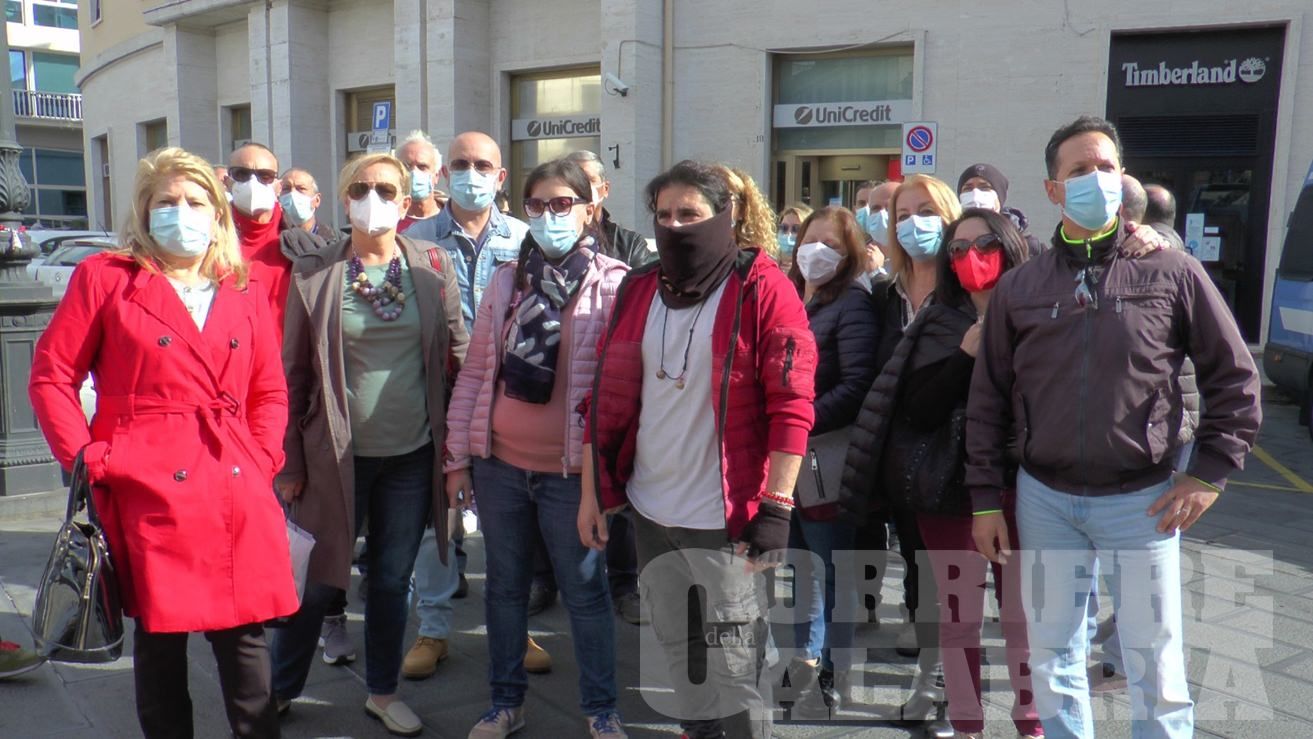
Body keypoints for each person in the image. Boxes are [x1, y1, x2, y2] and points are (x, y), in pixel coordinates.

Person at [967, 115, 1262, 739]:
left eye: (1105, 167)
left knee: (1154, 662)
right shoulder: (1021, 287)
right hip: (1044, 498)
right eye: (1078, 170)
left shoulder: (1172, 272)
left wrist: (1209, 474)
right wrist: (984, 500)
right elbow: (988, 396)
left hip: (1144, 500)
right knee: (1052, 658)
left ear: (1122, 177)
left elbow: (1234, 377)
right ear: (1052, 189)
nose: (1094, 179)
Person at [30, 147, 297, 738]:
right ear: (143, 211)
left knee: (246, 642)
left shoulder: (242, 286)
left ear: (217, 211)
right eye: (167, 202)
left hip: (233, 480)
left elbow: (269, 391)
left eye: (196, 201)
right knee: (160, 644)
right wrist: (88, 457)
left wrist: (261, 457)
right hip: (147, 485)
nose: (183, 213)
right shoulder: (108, 278)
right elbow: (52, 376)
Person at [579, 159, 817, 739]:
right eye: (663, 214)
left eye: (690, 213)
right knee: (679, 650)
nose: (675, 225)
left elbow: (793, 404)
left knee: (734, 670)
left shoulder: (762, 286)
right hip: (651, 510)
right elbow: (602, 399)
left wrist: (777, 506)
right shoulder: (639, 288)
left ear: (727, 217)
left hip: (725, 518)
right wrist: (593, 495)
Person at [271, 152, 469, 737]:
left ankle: (382, 691)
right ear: (344, 199)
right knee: (317, 581)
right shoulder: (313, 274)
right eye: (361, 187)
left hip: (411, 456)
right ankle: (281, 690)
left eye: (386, 188)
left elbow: (460, 357)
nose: (373, 197)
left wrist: (463, 450)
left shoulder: (432, 267)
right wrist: (289, 461)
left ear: (407, 203)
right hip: (334, 458)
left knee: (389, 580)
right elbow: (294, 374)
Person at [448, 159, 628, 739]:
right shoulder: (507, 280)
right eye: (537, 206)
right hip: (500, 464)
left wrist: (603, 483)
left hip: (569, 474)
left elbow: (619, 391)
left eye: (561, 205)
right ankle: (505, 702)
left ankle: (601, 710)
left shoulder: (615, 283)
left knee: (585, 591)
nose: (549, 217)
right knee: (503, 587)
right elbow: (476, 375)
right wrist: (457, 456)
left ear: (587, 210)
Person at [405, 131, 547, 680]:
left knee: (509, 522)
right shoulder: (415, 238)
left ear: (501, 176)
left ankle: (516, 630)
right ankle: (434, 629)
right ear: (444, 174)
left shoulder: (524, 236)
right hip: (438, 398)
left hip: (510, 397)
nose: (471, 173)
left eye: (482, 164)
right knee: (436, 521)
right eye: (460, 163)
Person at [899, 209, 1041, 739]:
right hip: (952, 493)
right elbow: (915, 408)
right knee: (960, 620)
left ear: (1010, 247)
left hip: (1025, 488)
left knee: (1024, 617)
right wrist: (964, 356)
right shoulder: (937, 320)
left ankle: (1032, 721)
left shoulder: (1038, 314)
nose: (970, 257)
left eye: (983, 244)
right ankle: (966, 725)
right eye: (957, 250)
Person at [781, 206, 879, 713]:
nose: (815, 250)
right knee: (799, 566)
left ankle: (834, 672)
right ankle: (804, 660)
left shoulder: (853, 304)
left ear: (850, 255)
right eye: (808, 237)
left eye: (832, 244)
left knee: (832, 572)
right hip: (790, 463)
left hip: (827, 461)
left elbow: (856, 385)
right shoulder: (795, 297)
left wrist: (798, 421)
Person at [228, 143, 291, 337]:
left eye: (265, 176)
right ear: (227, 182)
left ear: (278, 186)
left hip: (286, 363)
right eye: (242, 174)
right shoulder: (206, 243)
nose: (253, 182)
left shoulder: (302, 246)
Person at [566, 149, 655, 269]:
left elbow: (639, 285)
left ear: (605, 189)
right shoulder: (547, 238)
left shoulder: (630, 244)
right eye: (574, 181)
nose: (582, 187)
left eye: (589, 180)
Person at [714, 164, 778, 259]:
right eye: (709, 199)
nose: (717, 206)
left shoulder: (756, 266)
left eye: (725, 199)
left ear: (742, 210)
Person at [397, 130, 445, 242]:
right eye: (406, 167)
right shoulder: (387, 222)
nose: (414, 172)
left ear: (436, 176)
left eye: (422, 167)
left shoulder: (453, 219)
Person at [279, 167, 337, 244]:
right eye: (286, 188)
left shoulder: (337, 243)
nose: (292, 194)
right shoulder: (269, 241)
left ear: (317, 200)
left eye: (301, 189)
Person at [775, 203, 812, 271]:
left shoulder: (813, 274)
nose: (788, 234)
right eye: (784, 228)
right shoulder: (769, 266)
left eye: (796, 229)